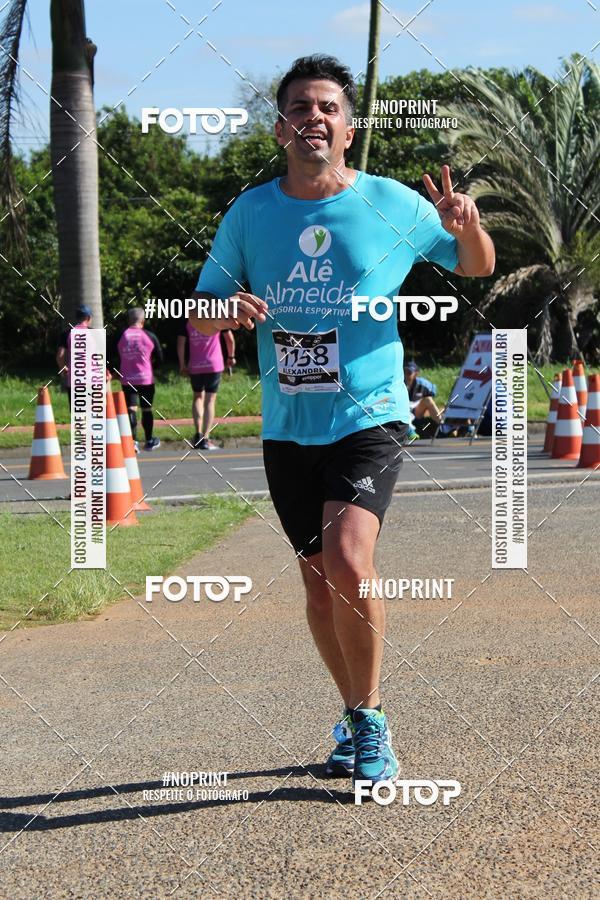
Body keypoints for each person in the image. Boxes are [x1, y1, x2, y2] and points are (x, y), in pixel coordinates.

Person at [188, 55, 495, 787]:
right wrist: (223, 312)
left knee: (350, 559)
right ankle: (354, 715)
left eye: (327, 108)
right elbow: (200, 310)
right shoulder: (251, 212)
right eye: (300, 108)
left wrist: (467, 227)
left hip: (371, 412)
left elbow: (476, 266)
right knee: (318, 581)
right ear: (280, 127)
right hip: (288, 421)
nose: (313, 119)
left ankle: (375, 720)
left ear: (348, 129)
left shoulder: (392, 203)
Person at [177, 318, 236, 450]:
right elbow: (229, 339)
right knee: (210, 400)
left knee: (197, 397)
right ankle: (206, 438)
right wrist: (231, 357)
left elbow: (181, 343)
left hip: (195, 365)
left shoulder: (189, 320)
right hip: (214, 365)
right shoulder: (218, 317)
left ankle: (198, 434)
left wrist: (182, 364)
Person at [116, 307, 163, 451]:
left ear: (128, 320)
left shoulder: (120, 336)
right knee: (146, 409)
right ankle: (149, 440)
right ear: (142, 321)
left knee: (131, 408)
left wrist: (116, 370)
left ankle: (133, 442)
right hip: (146, 379)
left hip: (127, 379)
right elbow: (161, 358)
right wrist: (152, 367)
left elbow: (110, 356)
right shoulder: (150, 336)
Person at [56, 305, 92, 407]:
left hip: (74, 380)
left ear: (77, 317)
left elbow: (60, 355)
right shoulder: (95, 334)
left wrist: (63, 368)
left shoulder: (66, 334)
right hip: (92, 380)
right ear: (88, 318)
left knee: (78, 413)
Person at [404, 360, 443, 439]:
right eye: (405, 372)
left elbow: (432, 394)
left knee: (428, 399)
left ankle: (442, 426)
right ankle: (410, 431)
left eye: (409, 373)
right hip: (403, 410)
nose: (406, 375)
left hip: (416, 410)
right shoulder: (399, 384)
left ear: (416, 374)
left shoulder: (424, 384)